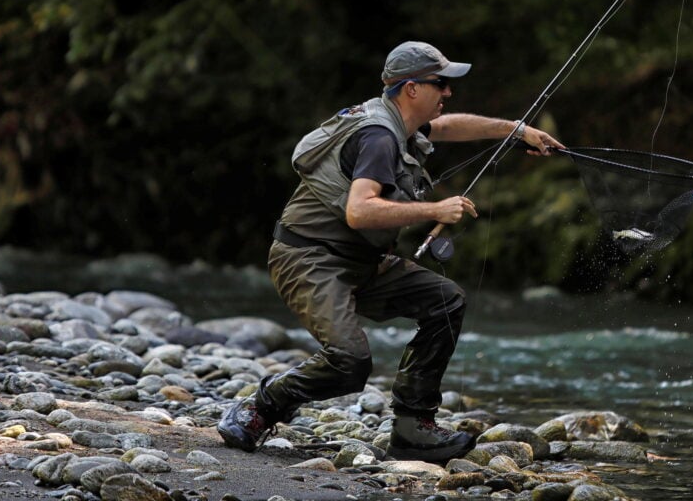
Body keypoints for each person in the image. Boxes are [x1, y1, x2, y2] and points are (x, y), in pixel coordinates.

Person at [216, 41, 564, 462]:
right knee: (349, 362)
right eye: (441, 84)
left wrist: (515, 130)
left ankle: (413, 428)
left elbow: (450, 127)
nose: (448, 92)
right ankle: (262, 407)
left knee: (445, 300)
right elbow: (360, 211)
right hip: (309, 257)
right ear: (412, 89)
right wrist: (436, 209)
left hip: (361, 260)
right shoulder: (378, 137)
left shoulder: (400, 122)